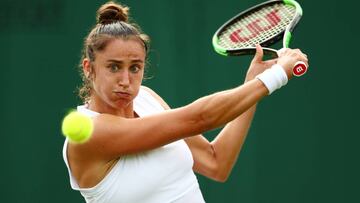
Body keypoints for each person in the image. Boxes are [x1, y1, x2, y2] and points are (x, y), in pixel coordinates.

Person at [62, 1, 308, 203]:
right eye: (114, 67)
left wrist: (252, 83)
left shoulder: (146, 98)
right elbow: (198, 119)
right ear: (89, 68)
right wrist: (273, 77)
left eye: (135, 67)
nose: (126, 80)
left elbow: (216, 162)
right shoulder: (89, 134)